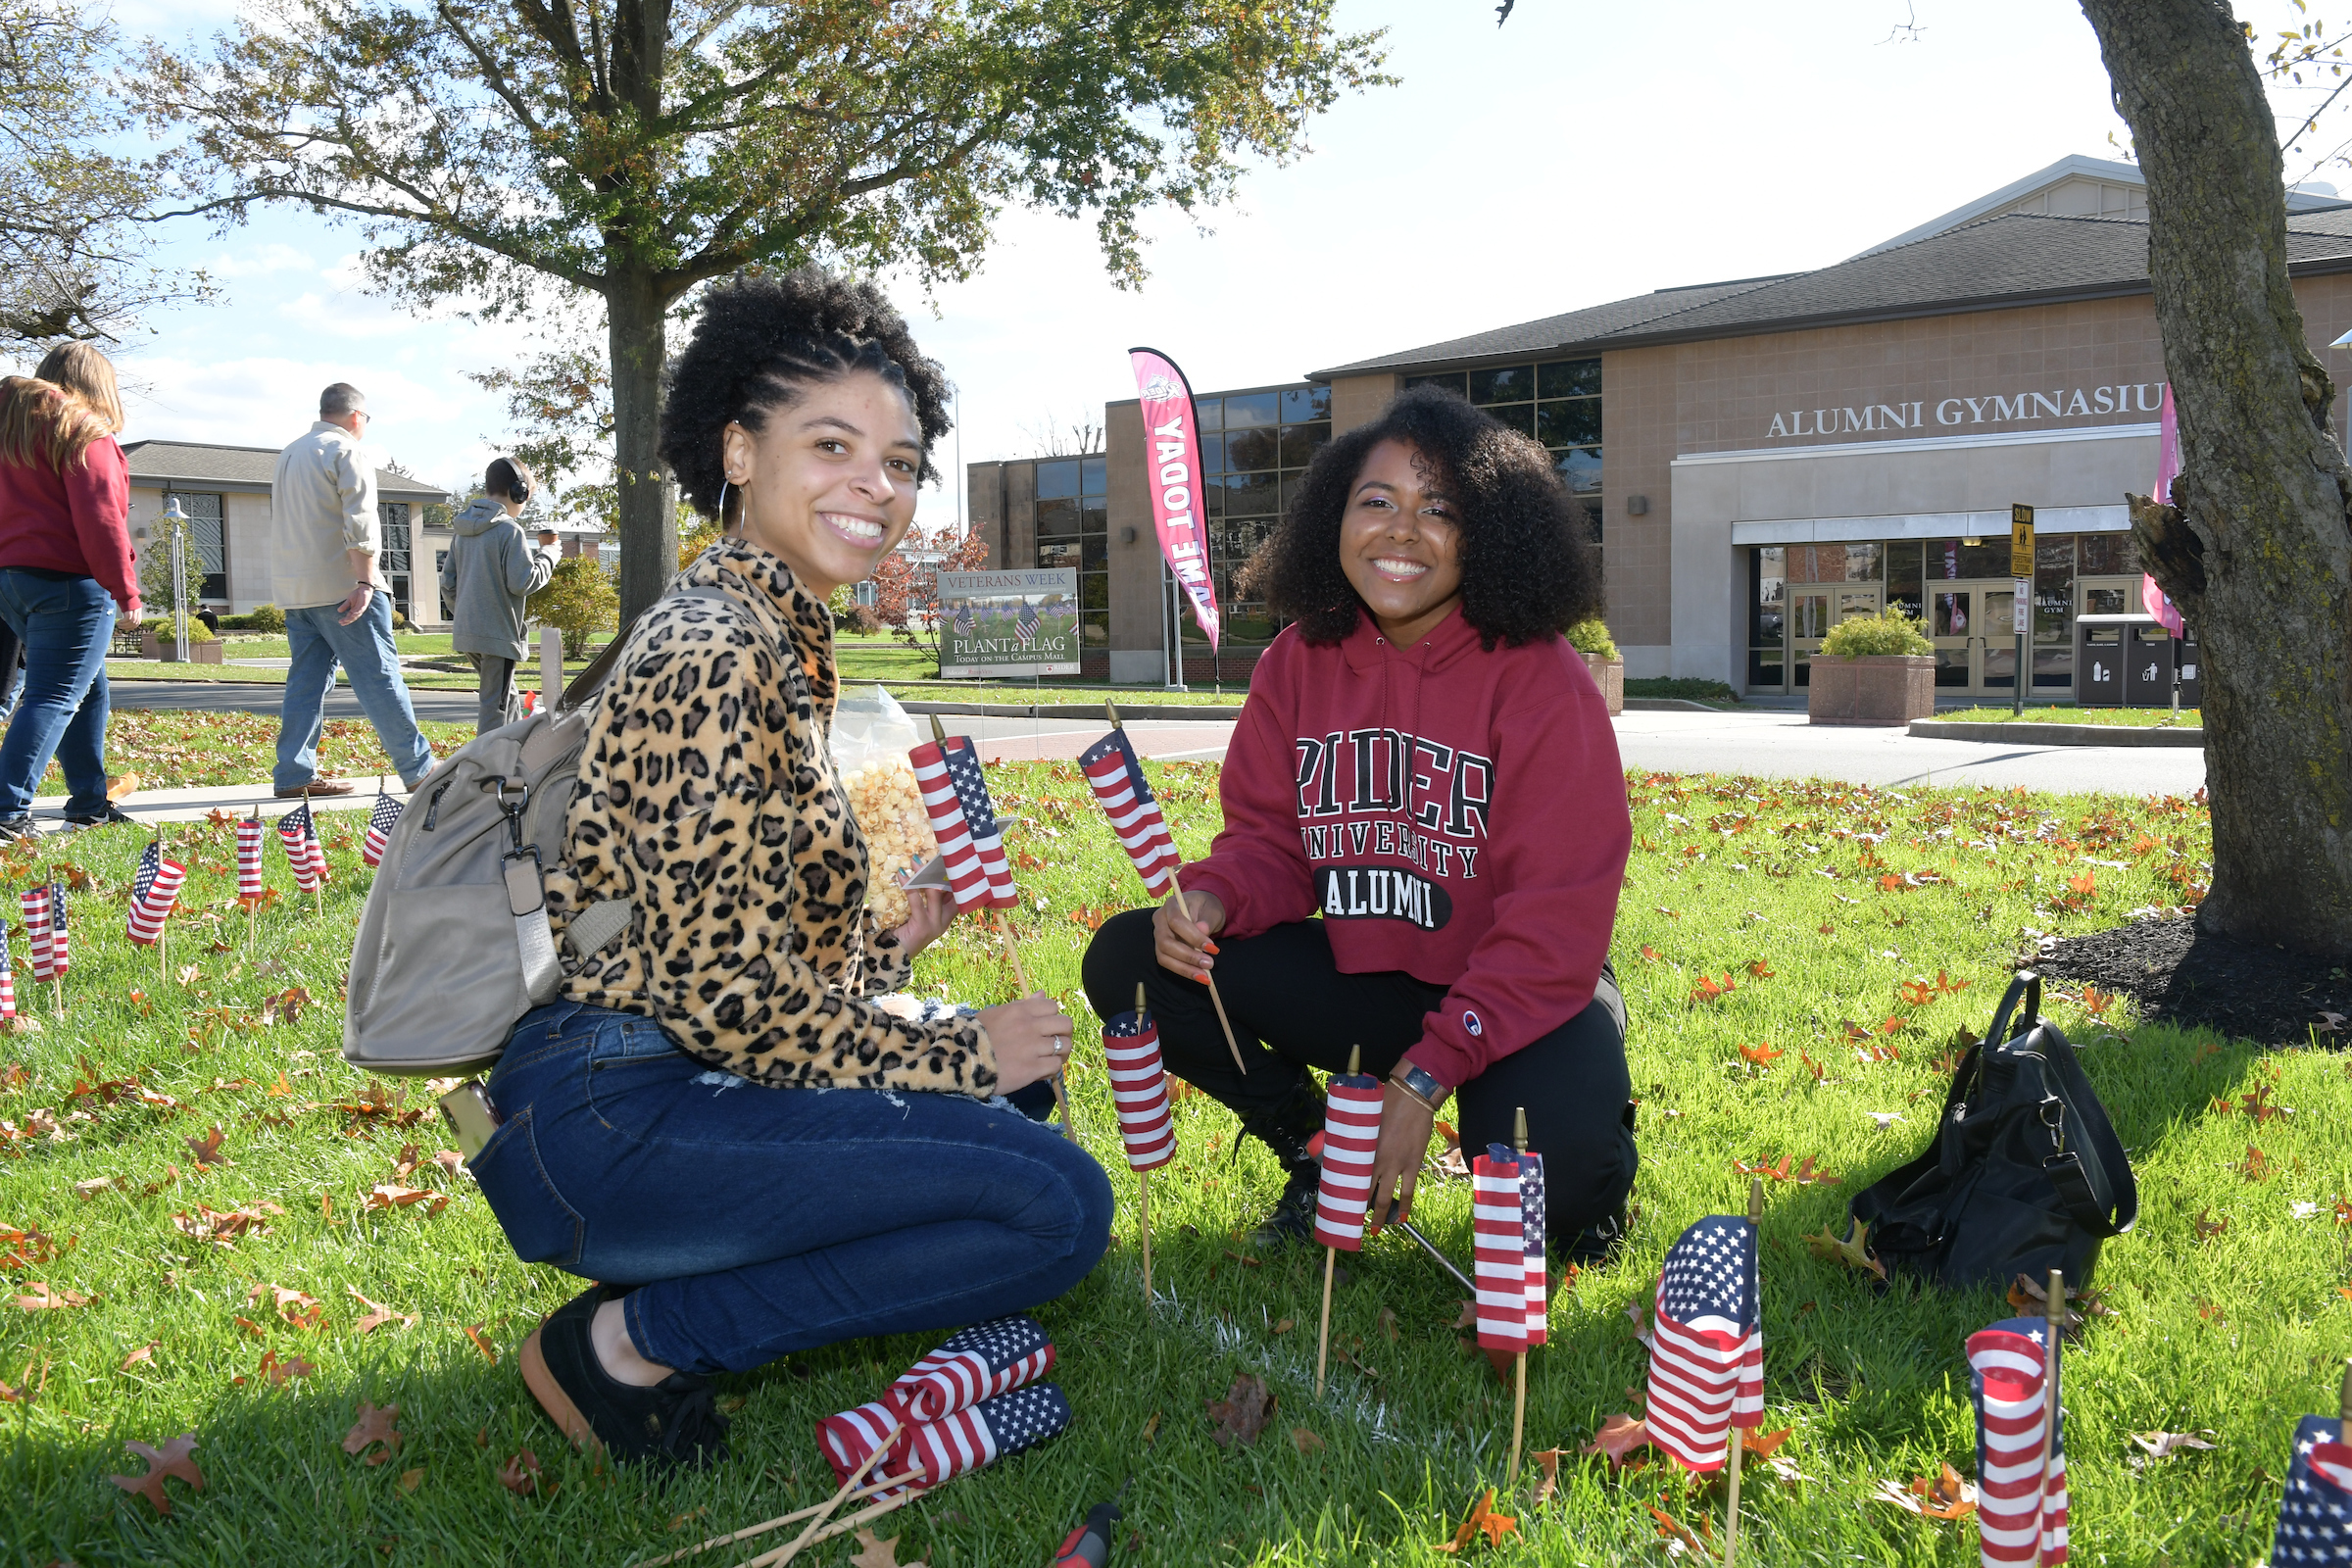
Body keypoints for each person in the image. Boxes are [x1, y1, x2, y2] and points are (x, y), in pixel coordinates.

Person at [468, 268, 1110, 1471]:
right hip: (614, 1111)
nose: (879, 482)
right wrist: (957, 1053)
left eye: (905, 461)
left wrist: (889, 947)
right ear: (738, 449)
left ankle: (688, 1300)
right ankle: (625, 1347)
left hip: (655, 1071)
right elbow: (721, 1001)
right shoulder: (714, 648)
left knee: (1015, 1111)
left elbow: (717, 943)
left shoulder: (774, 634)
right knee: (1059, 1206)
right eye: (833, 444)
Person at [1082, 385, 1637, 1264]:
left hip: (1520, 992)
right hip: (1371, 979)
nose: (1402, 530)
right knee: (1130, 959)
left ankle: (1598, 1172)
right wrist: (1218, 898)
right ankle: (1312, 1148)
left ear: (1486, 535)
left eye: (1439, 510)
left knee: (1552, 1190)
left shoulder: (1540, 678)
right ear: (1333, 520)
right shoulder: (1297, 662)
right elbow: (1270, 843)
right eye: (1376, 502)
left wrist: (1424, 1079)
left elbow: (1555, 919)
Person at [0, 344, 140, 837]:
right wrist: (126, 591)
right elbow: (102, 519)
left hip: (12, 579)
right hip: (69, 582)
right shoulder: (85, 432)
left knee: (88, 689)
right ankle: (7, 811)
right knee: (54, 694)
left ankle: (89, 800)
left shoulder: (12, 435)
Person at [269, 382, 434, 797]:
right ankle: (419, 770)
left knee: (305, 683)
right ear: (357, 416)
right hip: (344, 585)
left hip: (297, 590)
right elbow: (360, 521)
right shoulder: (348, 451)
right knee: (379, 677)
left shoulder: (289, 454)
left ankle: (293, 772)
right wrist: (365, 580)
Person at [440, 455, 559, 734]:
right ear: (519, 491)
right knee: (495, 707)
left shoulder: (462, 531)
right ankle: (486, 771)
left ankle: (513, 754)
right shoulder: (509, 531)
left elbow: (448, 583)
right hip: (497, 635)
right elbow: (524, 582)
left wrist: (469, 613)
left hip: (469, 632)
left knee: (508, 697)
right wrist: (549, 554)